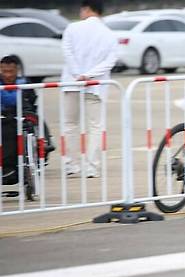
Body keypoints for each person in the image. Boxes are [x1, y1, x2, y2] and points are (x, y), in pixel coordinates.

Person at [61, 0, 117, 178]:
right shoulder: (108, 34)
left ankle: (71, 164)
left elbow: (67, 51)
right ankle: (91, 167)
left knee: (71, 124)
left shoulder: (72, 28)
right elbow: (110, 61)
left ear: (86, 9)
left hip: (71, 82)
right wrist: (89, 75)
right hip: (95, 86)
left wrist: (78, 74)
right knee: (95, 126)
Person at [2, 57, 55, 185]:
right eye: (4, 71)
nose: (8, 75)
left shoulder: (25, 83)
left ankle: (45, 144)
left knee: (37, 120)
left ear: (17, 70)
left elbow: (31, 102)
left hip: (22, 115)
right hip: (3, 117)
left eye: (11, 71)